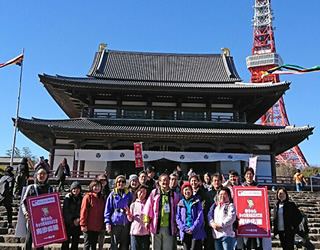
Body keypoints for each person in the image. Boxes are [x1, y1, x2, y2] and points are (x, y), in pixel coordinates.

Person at [21, 165, 55, 250]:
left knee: (41, 241)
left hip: (44, 219)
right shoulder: (31, 188)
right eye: (39, 174)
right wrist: (26, 213)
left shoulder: (51, 189)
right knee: (29, 239)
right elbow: (23, 202)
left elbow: (54, 205)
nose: (41, 175)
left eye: (43, 174)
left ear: (47, 176)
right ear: (36, 175)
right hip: (32, 218)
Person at [143, 173, 179, 250]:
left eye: (167, 180)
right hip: (156, 225)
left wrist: (176, 224)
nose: (165, 182)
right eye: (163, 181)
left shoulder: (173, 195)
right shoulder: (154, 193)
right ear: (159, 182)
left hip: (169, 226)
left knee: (167, 248)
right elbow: (148, 207)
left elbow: (177, 210)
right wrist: (146, 221)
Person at [105, 175, 133, 250]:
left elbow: (132, 206)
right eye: (119, 182)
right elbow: (108, 209)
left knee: (124, 244)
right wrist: (107, 222)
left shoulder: (129, 194)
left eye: (123, 182)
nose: (121, 183)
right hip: (115, 222)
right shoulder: (113, 194)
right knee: (114, 244)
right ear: (116, 183)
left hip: (125, 222)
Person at [176, 182, 206, 250]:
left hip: (196, 231)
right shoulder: (180, 203)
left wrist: (193, 228)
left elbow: (200, 216)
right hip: (185, 231)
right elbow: (178, 218)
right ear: (182, 192)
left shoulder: (197, 202)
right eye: (185, 190)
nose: (187, 192)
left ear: (192, 191)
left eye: (189, 189)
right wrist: (184, 228)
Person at [188, 174, 212, 250]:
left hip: (200, 222)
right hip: (190, 223)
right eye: (192, 181)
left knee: (198, 245)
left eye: (195, 181)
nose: (193, 183)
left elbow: (203, 207)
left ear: (198, 182)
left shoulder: (203, 193)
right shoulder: (187, 192)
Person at [80, 179, 105, 250]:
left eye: (98, 186)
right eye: (95, 186)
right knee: (87, 244)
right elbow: (83, 211)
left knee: (94, 245)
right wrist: (83, 224)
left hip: (97, 226)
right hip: (88, 226)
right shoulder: (88, 197)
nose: (97, 188)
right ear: (91, 187)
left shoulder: (102, 198)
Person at [241, 167, 263, 249]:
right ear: (244, 176)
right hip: (245, 218)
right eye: (247, 174)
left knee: (258, 243)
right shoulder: (241, 187)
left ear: (253, 175)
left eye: (250, 174)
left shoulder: (259, 187)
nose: (249, 176)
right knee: (246, 243)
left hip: (257, 218)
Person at [126, 185, 150, 250]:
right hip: (135, 231)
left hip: (145, 232)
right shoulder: (133, 204)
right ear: (137, 192)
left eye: (144, 193)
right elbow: (130, 219)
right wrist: (129, 214)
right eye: (140, 192)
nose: (142, 194)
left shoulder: (148, 204)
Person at [62, 181, 83, 250]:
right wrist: (72, 220)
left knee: (75, 242)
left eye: (77, 188)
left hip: (77, 223)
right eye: (74, 188)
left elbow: (83, 210)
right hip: (68, 223)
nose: (76, 190)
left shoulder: (82, 199)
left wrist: (79, 219)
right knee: (65, 243)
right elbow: (66, 210)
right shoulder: (67, 198)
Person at [97, 174, 110, 250]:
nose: (102, 182)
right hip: (95, 216)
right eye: (101, 180)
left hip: (104, 215)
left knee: (102, 235)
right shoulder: (94, 191)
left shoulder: (109, 192)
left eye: (104, 180)